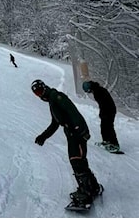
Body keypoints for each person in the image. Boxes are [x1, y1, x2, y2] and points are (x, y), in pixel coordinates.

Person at [31, 79, 102, 208]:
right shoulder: (52, 101)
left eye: (40, 91)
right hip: (72, 132)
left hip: (76, 132)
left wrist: (81, 130)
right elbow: (55, 122)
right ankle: (93, 187)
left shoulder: (57, 97)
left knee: (76, 160)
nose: (39, 95)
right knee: (79, 160)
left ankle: (86, 193)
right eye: (36, 94)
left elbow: (73, 112)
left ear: (44, 87)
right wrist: (43, 136)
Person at [82, 80, 120, 152]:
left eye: (88, 91)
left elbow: (104, 104)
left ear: (90, 89)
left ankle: (115, 144)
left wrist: (103, 113)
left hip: (109, 111)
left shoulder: (98, 92)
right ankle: (106, 141)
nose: (89, 93)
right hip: (107, 110)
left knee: (108, 126)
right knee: (103, 126)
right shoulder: (98, 89)